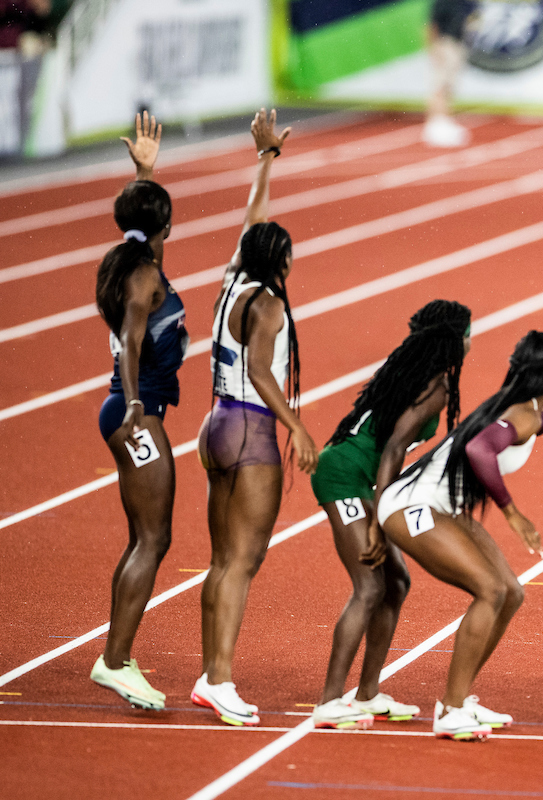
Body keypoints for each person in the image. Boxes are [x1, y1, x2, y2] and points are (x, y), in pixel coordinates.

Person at [376, 331, 543, 740]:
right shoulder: (521, 414)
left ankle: (460, 698)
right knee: (490, 590)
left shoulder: (523, 408)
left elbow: (526, 428)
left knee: (510, 592)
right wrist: (513, 514)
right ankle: (449, 710)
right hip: (411, 507)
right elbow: (481, 450)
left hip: (439, 506)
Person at [193, 109, 319, 726]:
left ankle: (210, 673)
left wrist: (265, 162)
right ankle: (220, 678)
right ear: (283, 262)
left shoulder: (230, 282)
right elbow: (266, 373)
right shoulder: (268, 303)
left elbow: (252, 224)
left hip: (213, 424)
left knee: (221, 560)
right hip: (249, 431)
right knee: (242, 562)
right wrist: (295, 425)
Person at [309, 300, 472, 730]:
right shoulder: (434, 385)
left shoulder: (414, 368)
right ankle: (329, 701)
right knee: (368, 585)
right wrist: (383, 521)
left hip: (361, 474)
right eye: (467, 333)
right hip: (344, 476)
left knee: (396, 582)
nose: (471, 341)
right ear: (452, 340)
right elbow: (396, 449)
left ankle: (366, 693)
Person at [90, 113, 184, 710]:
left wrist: (144, 174)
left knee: (144, 538)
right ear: (165, 226)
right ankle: (116, 661)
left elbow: (144, 226)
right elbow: (128, 340)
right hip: (134, 414)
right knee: (154, 539)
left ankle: (118, 654)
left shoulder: (126, 259)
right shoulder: (144, 274)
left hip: (132, 409)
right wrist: (135, 405)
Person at [424, 0, 473, 147]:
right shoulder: (442, 2)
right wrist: (434, 48)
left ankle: (444, 121)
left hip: (456, 44)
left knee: (449, 86)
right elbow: (430, 26)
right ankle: (435, 124)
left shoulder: (460, 3)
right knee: (440, 85)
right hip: (445, 44)